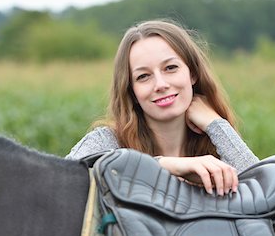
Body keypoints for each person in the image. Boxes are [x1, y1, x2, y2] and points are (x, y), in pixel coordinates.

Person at [66, 19, 259, 196]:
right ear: (132, 92)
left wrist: (215, 123)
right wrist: (165, 166)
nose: (160, 84)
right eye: (143, 76)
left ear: (192, 74)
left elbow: (265, 189)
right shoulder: (107, 141)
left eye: (170, 68)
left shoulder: (216, 145)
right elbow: (62, 181)